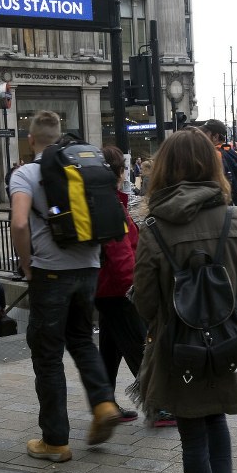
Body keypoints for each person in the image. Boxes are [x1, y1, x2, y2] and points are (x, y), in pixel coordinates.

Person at [133, 130, 237, 473]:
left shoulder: (154, 228)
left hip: (179, 348)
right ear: (212, 165)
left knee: (192, 436)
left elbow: (145, 302)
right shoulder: (236, 218)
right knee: (217, 419)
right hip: (226, 340)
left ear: (164, 171)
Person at [10, 111, 121, 463]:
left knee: (47, 356)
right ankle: (103, 402)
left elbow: (18, 221)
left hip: (51, 274)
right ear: (58, 138)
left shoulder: (27, 173)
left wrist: (27, 265)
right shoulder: (80, 166)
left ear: (31, 140)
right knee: (82, 340)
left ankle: (55, 441)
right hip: (88, 268)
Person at [94, 146, 145, 423]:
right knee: (139, 346)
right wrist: (134, 288)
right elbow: (120, 252)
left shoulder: (106, 201)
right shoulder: (109, 205)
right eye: (123, 169)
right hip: (118, 290)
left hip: (107, 289)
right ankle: (160, 405)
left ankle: (104, 404)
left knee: (111, 350)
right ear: (116, 172)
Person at [201, 119, 237, 206]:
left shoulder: (216, 155)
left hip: (224, 205)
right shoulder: (232, 152)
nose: (202, 137)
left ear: (215, 137)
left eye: (205, 134)